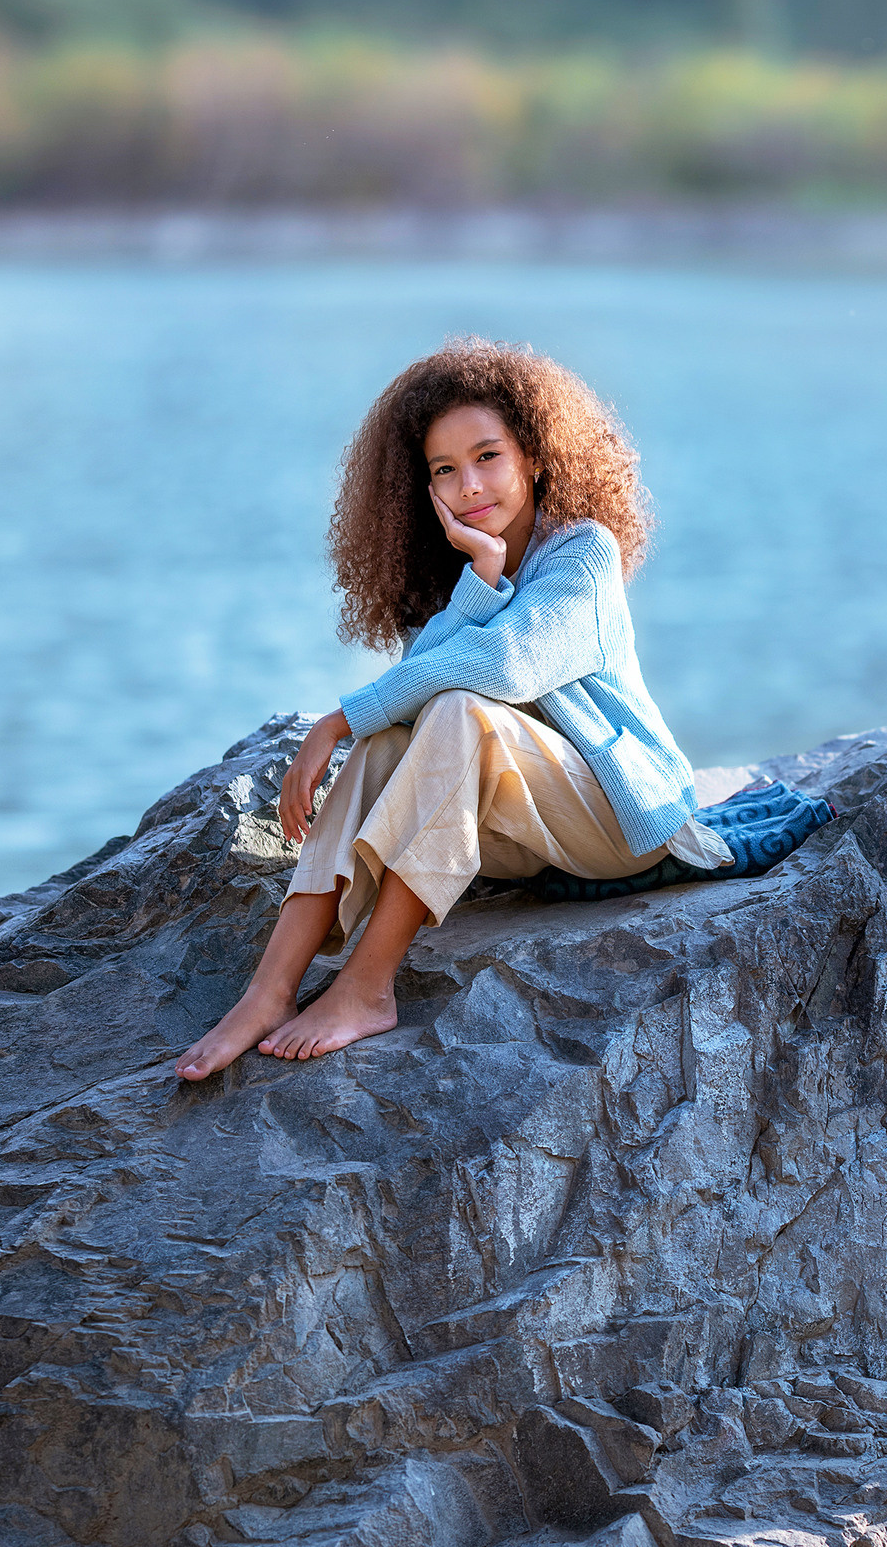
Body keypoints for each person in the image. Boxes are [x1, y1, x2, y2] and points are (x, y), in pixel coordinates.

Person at [176, 338, 727, 1077]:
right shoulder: (474, 572)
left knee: (457, 709)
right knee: (392, 738)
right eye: (444, 470)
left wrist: (338, 719)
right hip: (518, 834)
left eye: (488, 456)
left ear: (535, 454)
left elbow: (507, 666)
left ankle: (367, 987)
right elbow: (414, 685)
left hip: (623, 820)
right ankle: (269, 989)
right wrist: (482, 577)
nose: (470, 485)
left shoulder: (582, 555)